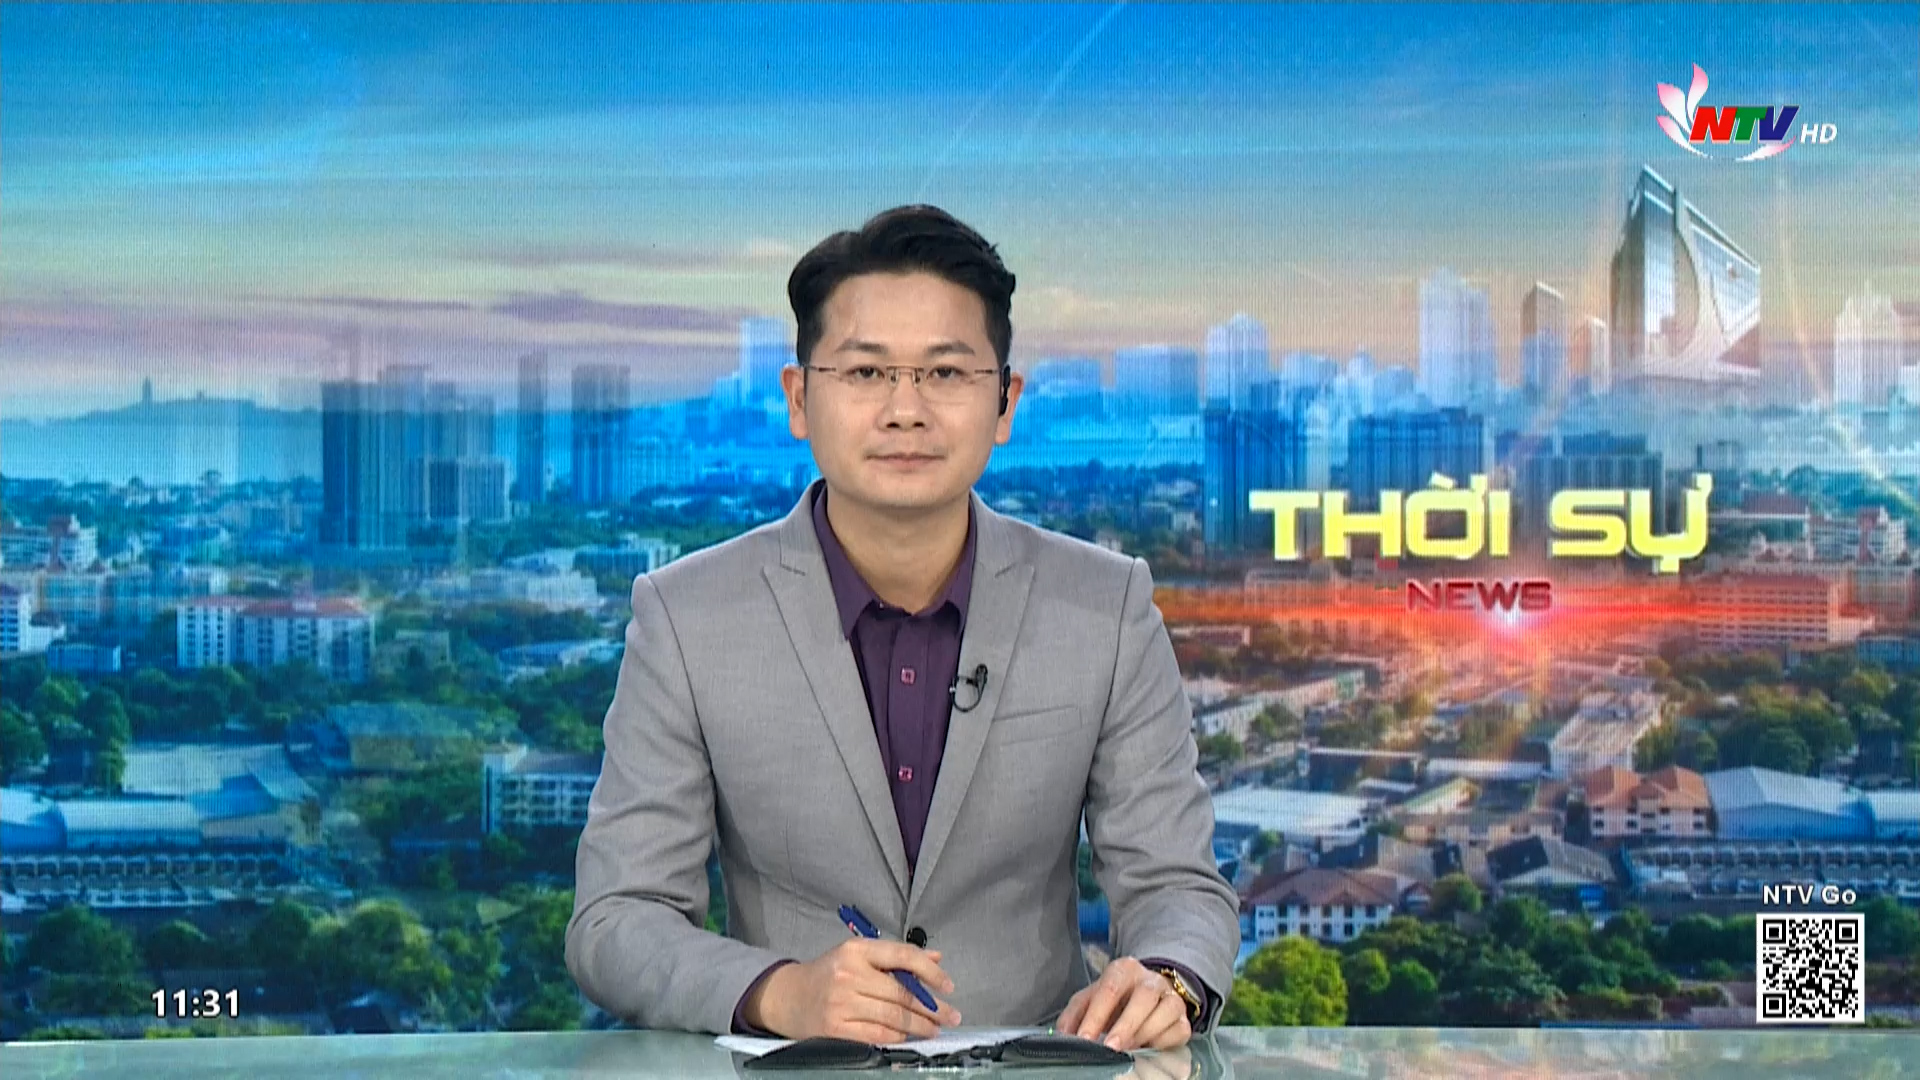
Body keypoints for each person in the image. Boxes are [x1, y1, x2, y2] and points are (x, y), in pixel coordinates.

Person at [565, 205, 1239, 1051]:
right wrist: (781, 994)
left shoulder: (1106, 606)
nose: (905, 410)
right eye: (865, 372)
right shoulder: (685, 615)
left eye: (946, 373)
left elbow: (1180, 885)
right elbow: (616, 920)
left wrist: (1170, 978)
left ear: (1005, 402)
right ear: (799, 398)